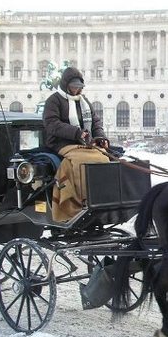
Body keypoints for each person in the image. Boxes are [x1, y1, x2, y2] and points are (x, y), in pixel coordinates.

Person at [43, 66, 110, 222]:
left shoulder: (84, 101)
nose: (76, 91)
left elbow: (95, 122)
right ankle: (82, 202)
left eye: (79, 87)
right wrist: (76, 133)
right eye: (73, 87)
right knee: (81, 162)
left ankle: (100, 199)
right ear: (66, 85)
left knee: (104, 159)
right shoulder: (54, 100)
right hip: (62, 143)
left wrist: (100, 136)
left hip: (85, 144)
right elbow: (52, 124)